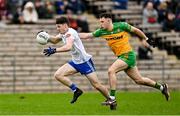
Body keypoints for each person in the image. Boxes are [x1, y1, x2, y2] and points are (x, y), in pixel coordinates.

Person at [79, 13, 170, 110]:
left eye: (102, 21)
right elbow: (87, 35)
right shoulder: (102, 31)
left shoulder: (121, 25)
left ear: (109, 20)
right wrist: (72, 34)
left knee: (111, 71)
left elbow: (135, 30)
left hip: (128, 55)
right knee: (139, 80)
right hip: (122, 57)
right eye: (100, 22)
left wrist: (146, 39)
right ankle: (162, 87)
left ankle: (112, 98)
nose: (100, 24)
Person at [42, 16, 111, 105]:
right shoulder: (63, 33)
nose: (57, 29)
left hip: (84, 62)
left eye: (59, 26)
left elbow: (68, 47)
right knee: (58, 75)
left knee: (97, 85)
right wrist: (46, 36)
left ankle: (110, 99)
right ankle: (76, 90)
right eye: (56, 26)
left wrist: (54, 50)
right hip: (75, 62)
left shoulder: (70, 34)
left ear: (65, 25)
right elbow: (55, 40)